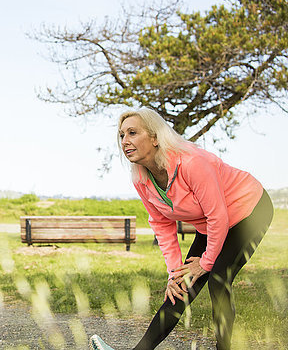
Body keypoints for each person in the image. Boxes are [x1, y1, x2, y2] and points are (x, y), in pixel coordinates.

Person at [90, 108, 274, 350]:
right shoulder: (141, 179)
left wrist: (206, 263)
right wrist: (174, 273)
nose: (125, 141)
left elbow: (217, 214)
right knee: (180, 287)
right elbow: (161, 224)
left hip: (250, 210)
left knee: (218, 277)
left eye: (133, 133)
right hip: (212, 224)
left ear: (155, 138)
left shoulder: (192, 163)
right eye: (122, 135)